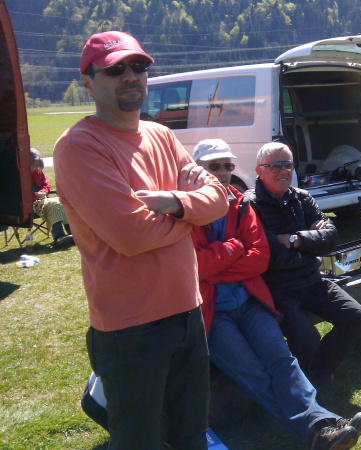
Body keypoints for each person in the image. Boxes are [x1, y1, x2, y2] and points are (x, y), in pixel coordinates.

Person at [53, 31, 229, 448]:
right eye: (115, 70)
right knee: (140, 440)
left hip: (187, 312)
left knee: (191, 435)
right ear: (88, 82)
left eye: (138, 66)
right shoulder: (79, 146)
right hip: (130, 329)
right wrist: (191, 214)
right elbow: (131, 235)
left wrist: (172, 202)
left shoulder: (161, 135)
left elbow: (220, 199)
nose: (130, 76)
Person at [190, 139, 361, 450]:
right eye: (213, 166)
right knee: (254, 373)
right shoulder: (187, 211)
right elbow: (195, 267)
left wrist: (293, 240)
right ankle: (321, 427)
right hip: (213, 310)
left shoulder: (240, 205)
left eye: (228, 165)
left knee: (282, 361)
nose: (222, 172)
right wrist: (234, 249)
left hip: (251, 299)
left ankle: (320, 421)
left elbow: (259, 258)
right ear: (197, 169)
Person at [247, 142, 361, 385]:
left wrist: (296, 239)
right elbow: (268, 255)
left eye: (288, 165)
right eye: (275, 166)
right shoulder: (251, 206)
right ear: (259, 170)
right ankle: (309, 378)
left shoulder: (302, 197)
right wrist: (311, 245)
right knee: (307, 339)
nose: (284, 171)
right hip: (278, 289)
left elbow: (331, 238)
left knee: (357, 318)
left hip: (313, 281)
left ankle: (317, 371)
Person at [29, 148, 74, 248]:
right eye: (35, 164)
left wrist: (43, 191)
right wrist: (34, 194)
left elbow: (46, 185)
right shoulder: (20, 176)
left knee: (62, 202)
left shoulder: (38, 172)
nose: (37, 167)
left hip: (42, 200)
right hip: (29, 205)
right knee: (52, 205)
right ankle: (59, 236)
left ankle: (73, 233)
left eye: (39, 165)